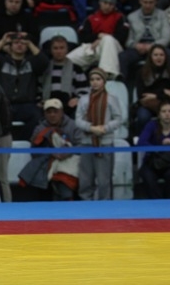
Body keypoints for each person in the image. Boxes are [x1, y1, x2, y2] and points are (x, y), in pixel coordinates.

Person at [19, 98, 83, 201]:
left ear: (61, 112)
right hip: (47, 160)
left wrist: (67, 152)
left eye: (55, 112)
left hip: (70, 159)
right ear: (44, 114)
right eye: (49, 112)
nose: (52, 115)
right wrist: (51, 153)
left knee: (66, 171)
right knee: (40, 171)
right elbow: (34, 150)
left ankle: (68, 200)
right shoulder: (40, 128)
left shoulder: (73, 125)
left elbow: (82, 146)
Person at [0, 31, 49, 140]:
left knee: (37, 116)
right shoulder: (2, 61)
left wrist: (29, 42)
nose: (20, 45)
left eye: (23, 43)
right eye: (16, 42)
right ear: (10, 46)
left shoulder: (31, 62)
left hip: (27, 104)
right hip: (5, 104)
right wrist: (3, 41)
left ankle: (25, 141)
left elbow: (44, 62)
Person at [75, 67, 122, 200]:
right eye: (92, 79)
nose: (95, 82)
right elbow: (78, 120)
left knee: (104, 180)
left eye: (98, 79)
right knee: (85, 178)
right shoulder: (84, 99)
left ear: (104, 81)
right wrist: (91, 128)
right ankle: (86, 204)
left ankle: (105, 205)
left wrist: (105, 128)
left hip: (105, 143)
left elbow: (118, 119)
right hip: (86, 143)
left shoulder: (111, 99)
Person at [66, 0, 129, 81]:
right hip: (93, 47)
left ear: (114, 6)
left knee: (107, 39)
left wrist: (103, 38)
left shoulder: (120, 17)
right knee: (68, 60)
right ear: (100, 3)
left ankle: (107, 74)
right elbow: (83, 37)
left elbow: (122, 37)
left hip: (113, 49)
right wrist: (98, 36)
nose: (107, 6)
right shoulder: (91, 17)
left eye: (111, 4)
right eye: (105, 3)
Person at [119, 0, 170, 81]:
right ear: (140, 1)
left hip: (157, 47)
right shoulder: (131, 17)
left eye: (151, 2)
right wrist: (135, 45)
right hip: (138, 48)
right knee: (123, 56)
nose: (148, 5)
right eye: (145, 2)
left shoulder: (163, 15)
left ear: (156, 2)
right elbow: (128, 40)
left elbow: (166, 38)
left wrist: (152, 46)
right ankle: (122, 84)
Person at [41, 35, 90, 119]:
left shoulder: (76, 68)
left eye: (62, 48)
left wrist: (77, 99)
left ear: (67, 50)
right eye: (55, 48)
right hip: (48, 104)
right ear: (51, 50)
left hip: (69, 105)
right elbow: (38, 86)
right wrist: (39, 100)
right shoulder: (44, 67)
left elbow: (84, 89)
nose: (59, 51)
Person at [137, 100, 170, 199]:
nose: (167, 114)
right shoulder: (151, 125)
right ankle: (157, 202)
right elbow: (141, 142)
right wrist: (159, 146)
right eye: (164, 111)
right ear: (159, 114)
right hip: (153, 162)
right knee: (147, 176)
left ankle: (169, 202)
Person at [134, 44, 170, 135]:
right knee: (143, 117)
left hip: (167, 105)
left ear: (165, 57)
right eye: (156, 55)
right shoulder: (141, 72)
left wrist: (156, 95)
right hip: (148, 105)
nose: (159, 57)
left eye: (161, 55)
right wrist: (164, 92)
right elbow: (142, 95)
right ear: (150, 57)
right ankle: (141, 139)